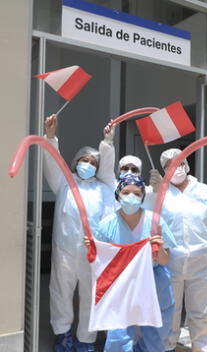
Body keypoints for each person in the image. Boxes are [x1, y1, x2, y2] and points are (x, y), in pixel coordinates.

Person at [43, 114, 116, 352]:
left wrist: (107, 143)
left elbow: (107, 167)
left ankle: (86, 340)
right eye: (84, 160)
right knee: (60, 292)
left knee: (91, 297)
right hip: (65, 249)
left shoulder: (103, 188)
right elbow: (53, 163)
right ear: (75, 162)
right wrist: (51, 138)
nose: (88, 164)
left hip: (93, 253)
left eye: (93, 162)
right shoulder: (64, 183)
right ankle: (62, 335)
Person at [88, 174, 178, 351]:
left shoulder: (155, 221)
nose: (131, 197)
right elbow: (99, 261)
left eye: (137, 193)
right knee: (118, 336)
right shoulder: (107, 225)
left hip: (153, 281)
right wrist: (92, 249)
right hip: (121, 283)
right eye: (126, 192)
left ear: (143, 196)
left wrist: (158, 247)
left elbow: (165, 259)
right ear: (118, 195)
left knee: (156, 334)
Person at [153, 148, 207, 352]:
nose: (175, 168)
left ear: (186, 164)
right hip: (170, 263)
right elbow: (150, 222)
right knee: (170, 310)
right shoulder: (161, 193)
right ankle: (167, 347)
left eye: (178, 163)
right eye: (169, 166)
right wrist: (153, 193)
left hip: (202, 265)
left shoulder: (205, 192)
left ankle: (203, 348)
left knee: (202, 311)